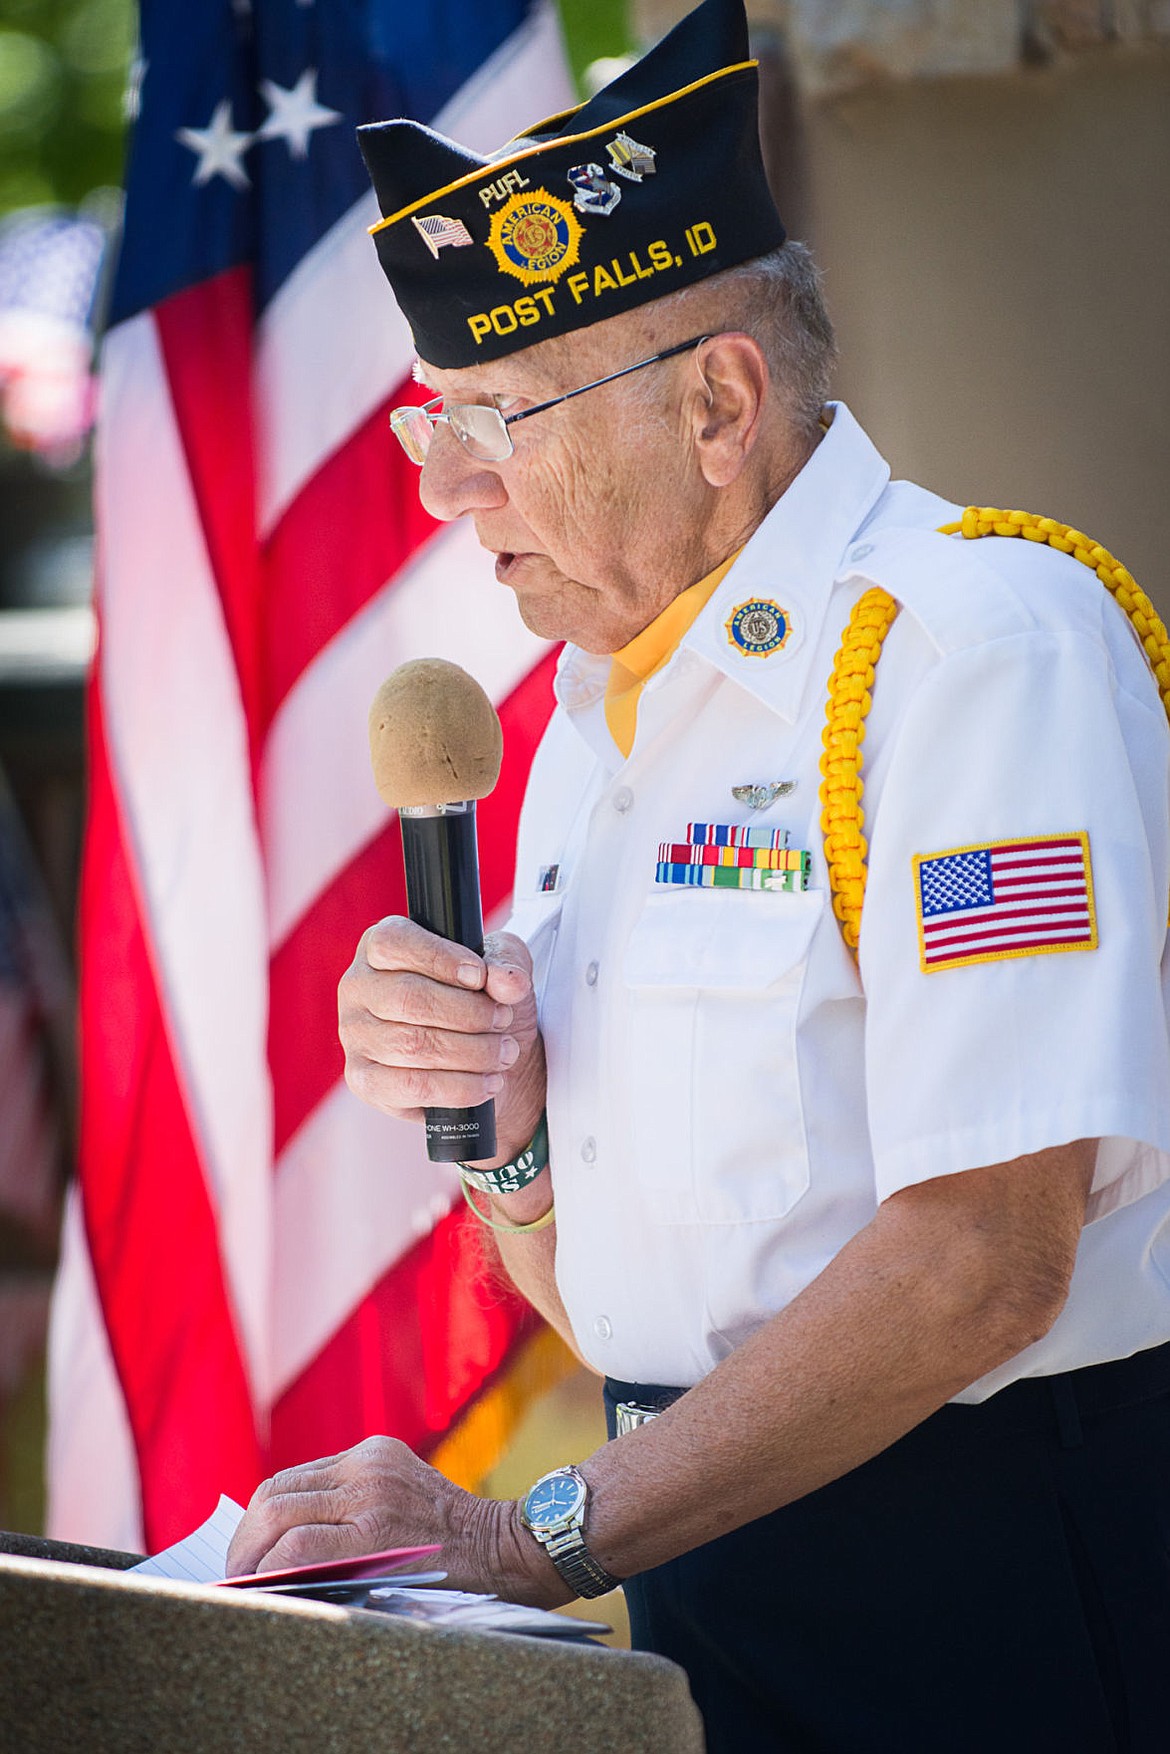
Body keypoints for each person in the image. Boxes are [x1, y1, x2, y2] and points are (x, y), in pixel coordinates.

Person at [226, 2, 1170, 1746]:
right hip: (706, 1551)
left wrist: (527, 1535)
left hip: (980, 1573)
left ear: (718, 402)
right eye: (430, 423)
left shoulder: (971, 643)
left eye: (493, 415)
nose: (445, 488)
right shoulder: (601, 714)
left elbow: (983, 1259)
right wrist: (502, 1134)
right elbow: (638, 1294)